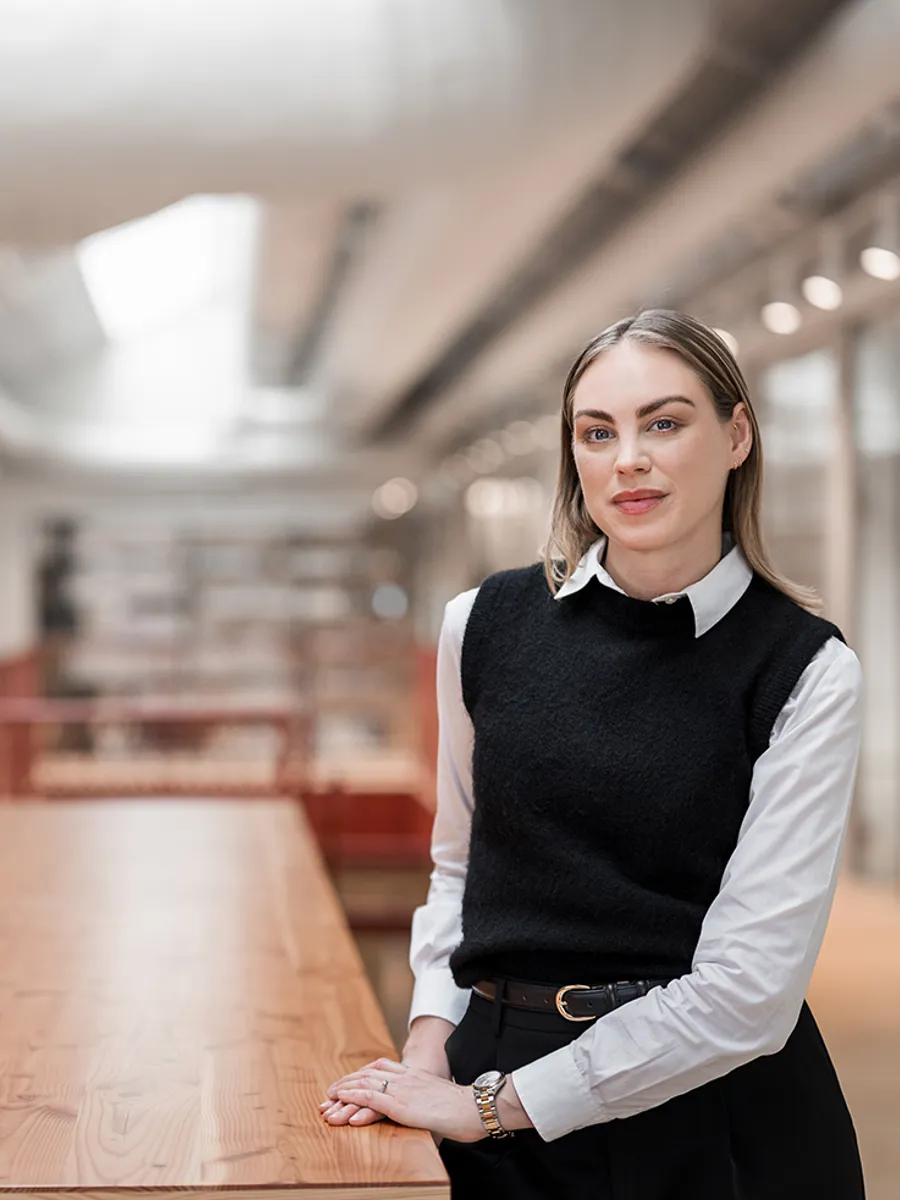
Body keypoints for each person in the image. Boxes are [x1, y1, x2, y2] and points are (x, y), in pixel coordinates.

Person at [320, 309, 866, 1198]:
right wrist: (428, 1045)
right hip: (492, 1081)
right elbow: (461, 867)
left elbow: (750, 992)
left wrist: (492, 1106)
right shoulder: (484, 625)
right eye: (597, 432)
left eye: (664, 422)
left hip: (710, 1111)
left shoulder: (805, 668)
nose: (629, 459)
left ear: (735, 435)